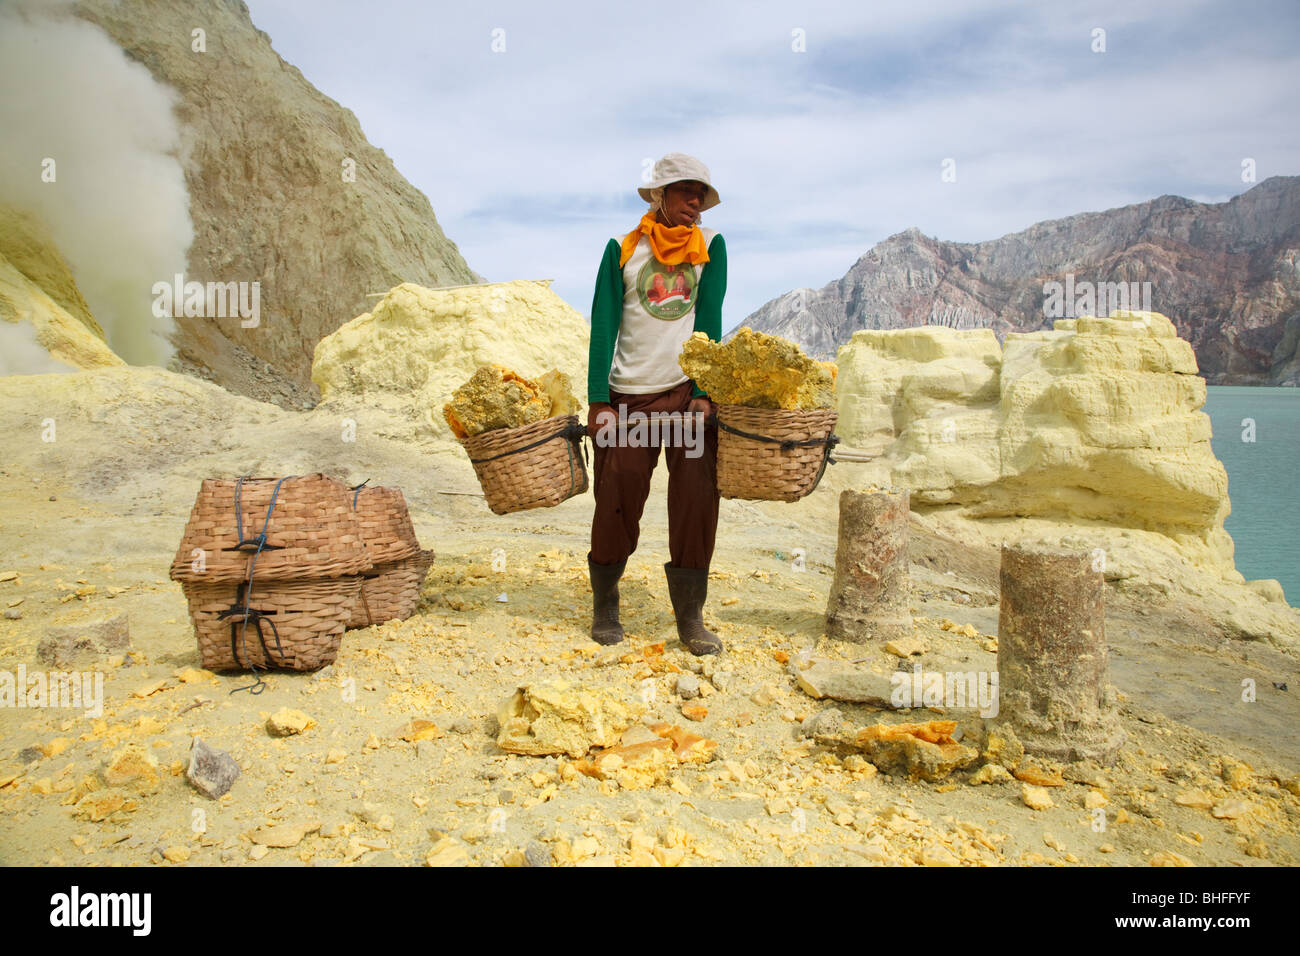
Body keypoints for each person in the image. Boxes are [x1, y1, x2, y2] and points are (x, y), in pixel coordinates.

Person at [586, 152, 727, 656]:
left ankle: (690, 617)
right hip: (629, 399)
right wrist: (598, 399)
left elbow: (709, 321)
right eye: (685, 191)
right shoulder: (623, 250)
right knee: (617, 496)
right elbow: (604, 324)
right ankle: (605, 602)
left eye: (701, 194)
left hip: (687, 397)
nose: (695, 202)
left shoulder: (710, 248)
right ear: (660, 196)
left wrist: (707, 393)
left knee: (695, 500)